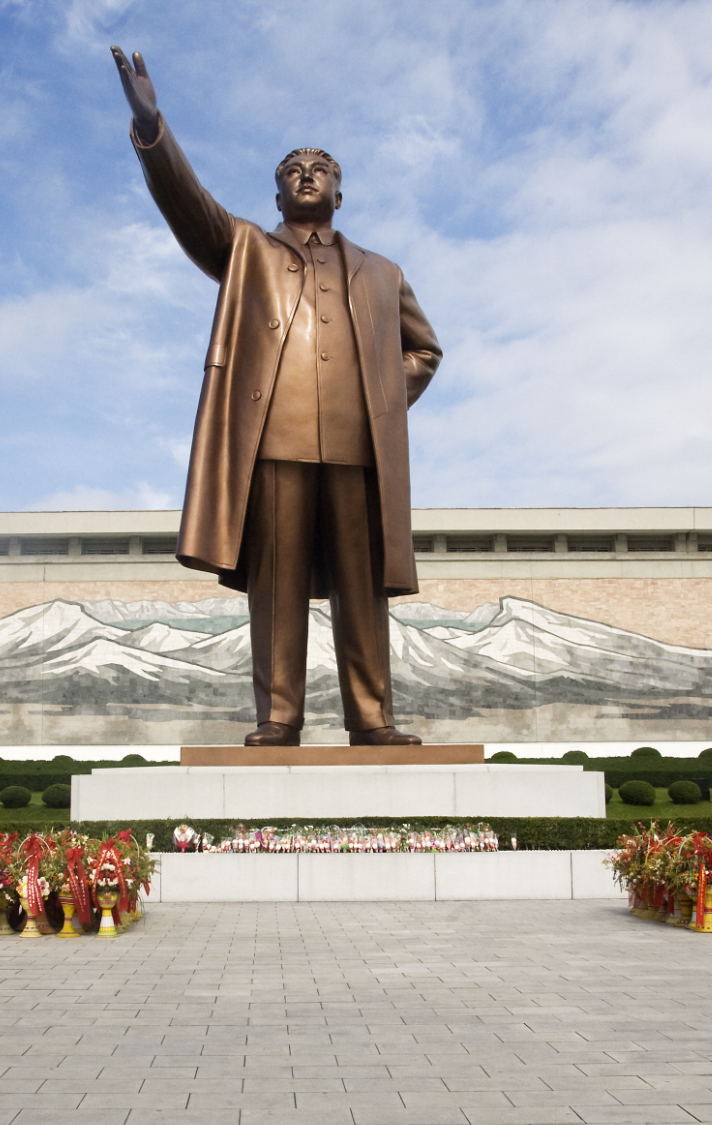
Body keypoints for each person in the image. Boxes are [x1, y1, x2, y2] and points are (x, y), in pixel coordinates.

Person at [111, 47, 442, 748]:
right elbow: (189, 206)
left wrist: (383, 398)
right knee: (278, 587)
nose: (306, 175)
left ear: (340, 192)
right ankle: (279, 716)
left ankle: (372, 717)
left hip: (358, 448)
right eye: (292, 170)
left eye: (319, 169)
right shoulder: (247, 252)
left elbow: (425, 351)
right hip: (275, 441)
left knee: (362, 588)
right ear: (277, 194)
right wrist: (153, 129)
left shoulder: (383, 274)